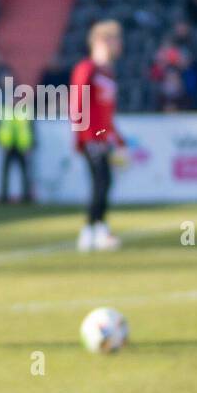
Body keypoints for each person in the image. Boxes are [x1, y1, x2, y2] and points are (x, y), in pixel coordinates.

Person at [69, 20, 126, 251]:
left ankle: (98, 229)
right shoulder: (87, 68)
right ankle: (90, 231)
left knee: (104, 182)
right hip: (91, 138)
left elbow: (107, 114)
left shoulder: (108, 74)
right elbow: (77, 103)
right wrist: (82, 137)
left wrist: (118, 140)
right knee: (100, 182)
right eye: (116, 39)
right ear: (103, 41)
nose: (120, 45)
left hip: (102, 138)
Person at [0, 84, 35, 203]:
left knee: (24, 173)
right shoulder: (3, 110)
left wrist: (29, 145)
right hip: (7, 146)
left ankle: (26, 196)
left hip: (21, 146)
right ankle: (4, 197)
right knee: (6, 173)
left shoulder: (25, 110)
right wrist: (1, 143)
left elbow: (31, 129)